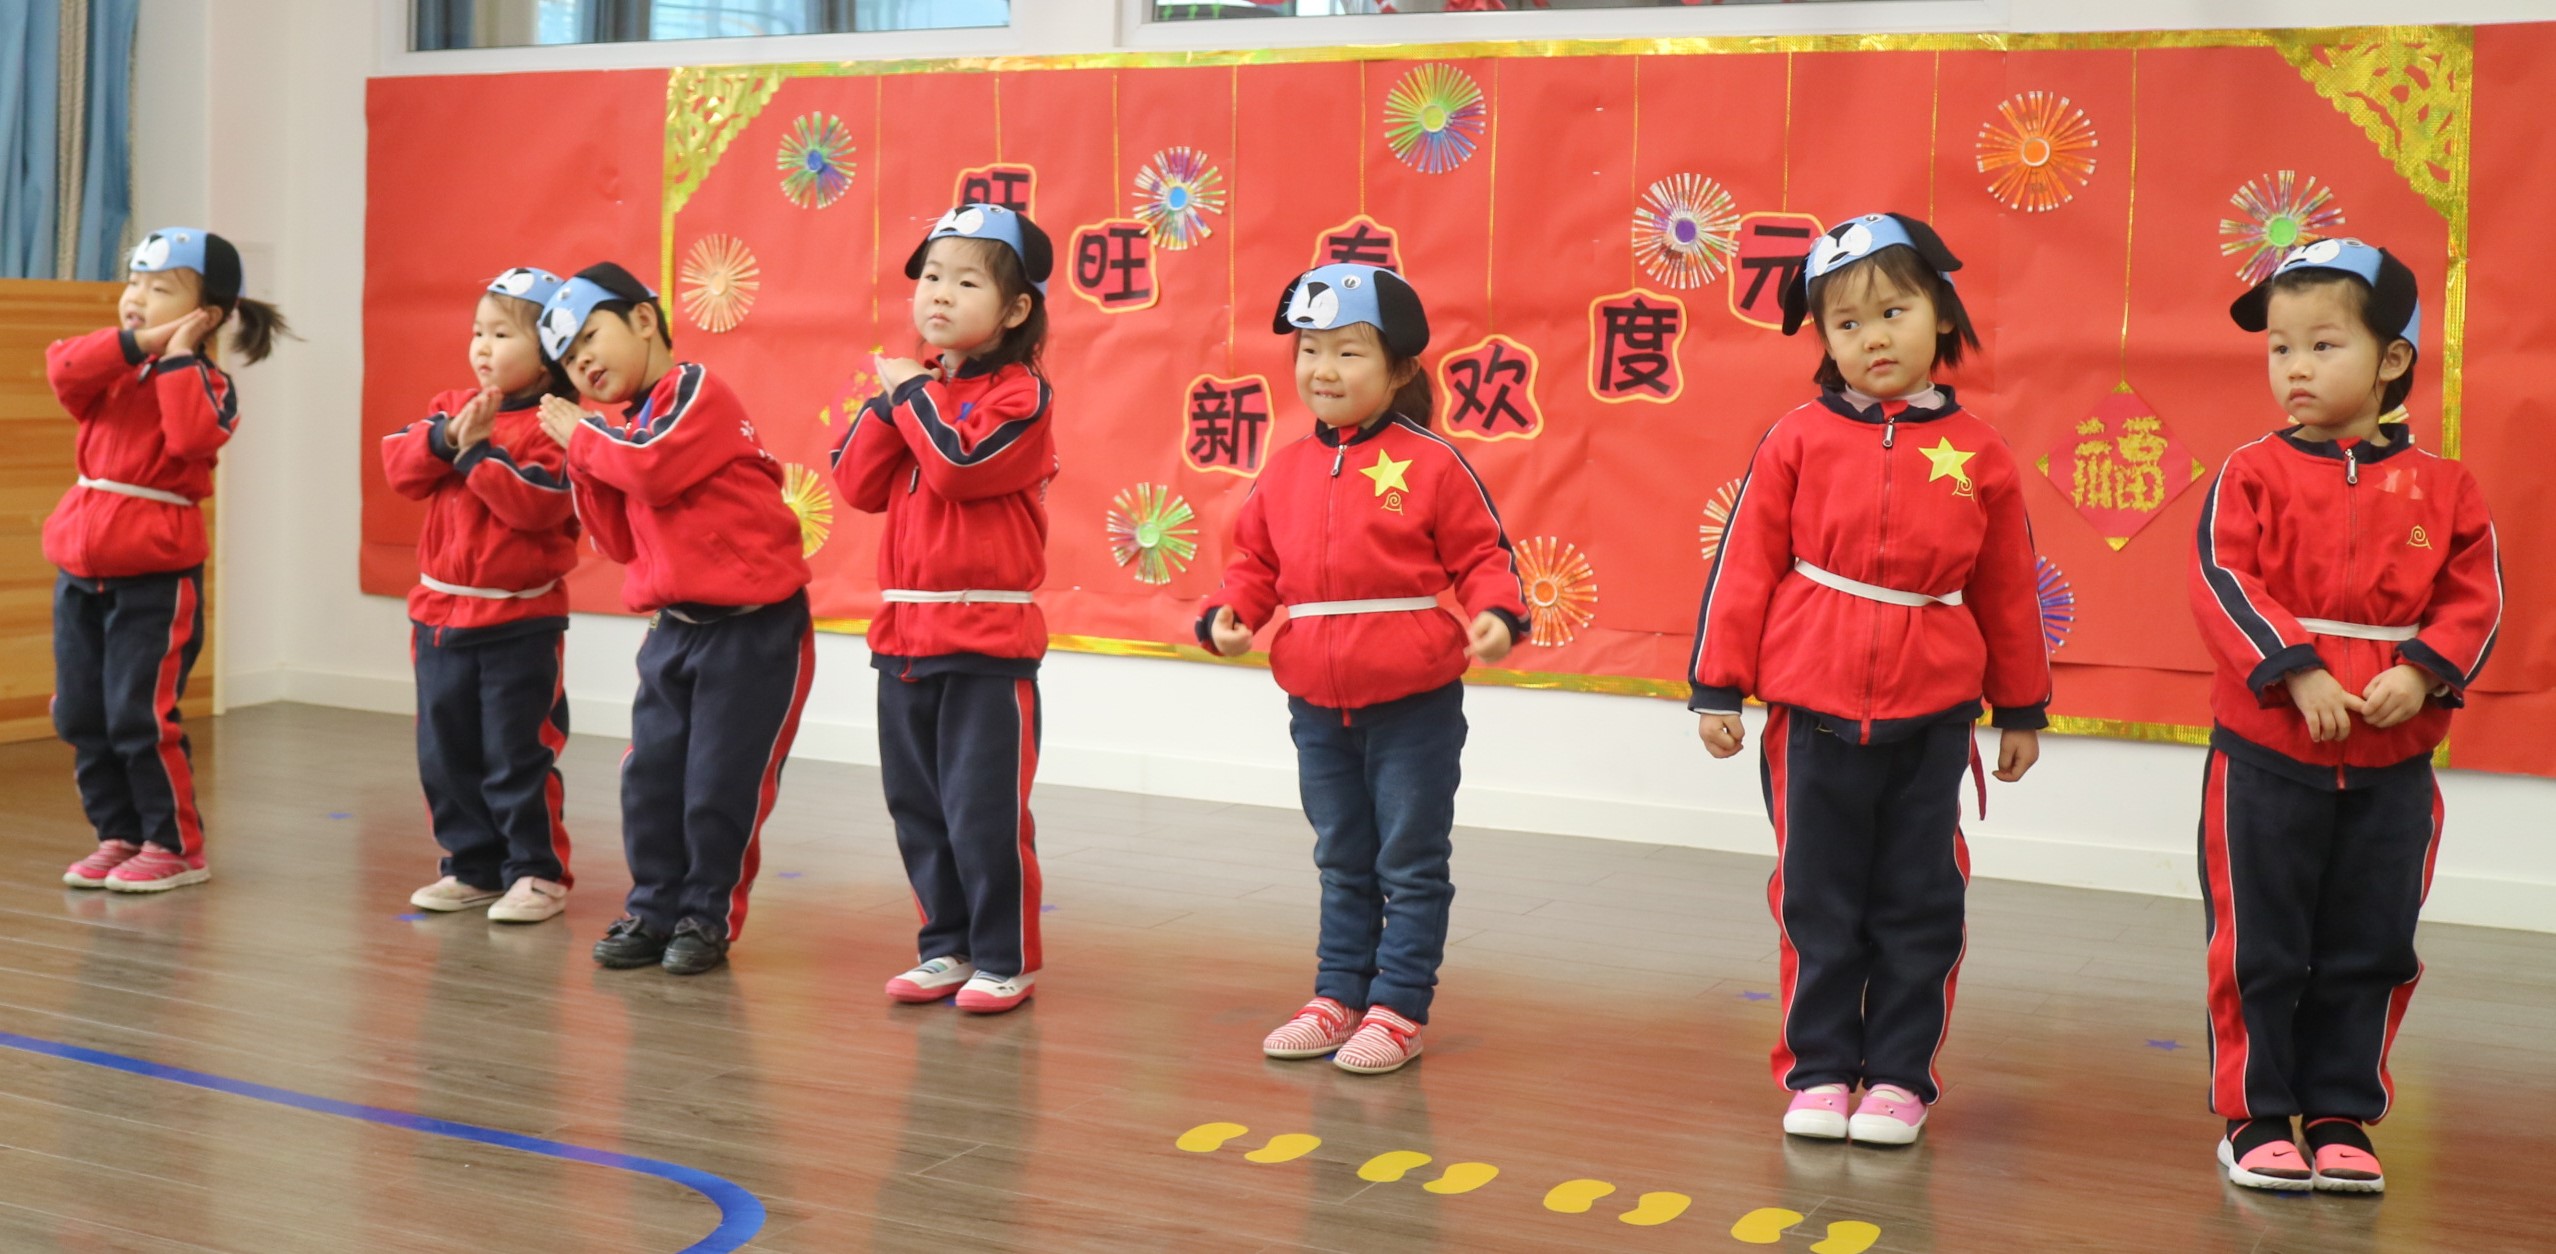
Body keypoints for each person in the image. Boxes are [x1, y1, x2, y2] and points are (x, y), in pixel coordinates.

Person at [1688, 214, 2049, 1145]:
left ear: (1943, 315)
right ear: (1823, 339)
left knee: (1919, 902)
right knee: (1817, 899)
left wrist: (2020, 707)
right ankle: (1817, 1071)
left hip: (1932, 717)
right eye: (1846, 324)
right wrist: (1718, 688)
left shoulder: (1980, 452)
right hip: (1810, 713)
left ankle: (1898, 1076)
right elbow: (1744, 565)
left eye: (1894, 312)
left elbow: (2009, 587)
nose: (1873, 338)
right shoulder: (1796, 439)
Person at [2192, 238, 2500, 1193]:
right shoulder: (2250, 472)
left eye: (2323, 346)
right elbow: (2223, 580)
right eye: (2280, 348)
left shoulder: (2447, 486)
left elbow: (2476, 599)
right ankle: (2255, 1114)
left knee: (2372, 942)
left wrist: (2425, 671)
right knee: (2262, 943)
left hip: (2391, 762)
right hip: (2266, 756)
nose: (2296, 368)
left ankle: (2340, 1113)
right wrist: (2297, 673)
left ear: (2392, 358)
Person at [1205, 263, 1528, 1075]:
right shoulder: (1285, 468)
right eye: (1310, 350)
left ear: (1400, 368)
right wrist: (1232, 613)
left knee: (1409, 862)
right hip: (1317, 705)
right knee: (1340, 856)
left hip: (1414, 704)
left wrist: (1498, 615)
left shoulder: (1434, 463)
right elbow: (1254, 563)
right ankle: (1337, 995)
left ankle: (1398, 1008)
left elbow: (1484, 557)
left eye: (1348, 352)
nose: (1323, 369)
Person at [535, 262, 814, 975]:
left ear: (643, 320)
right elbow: (618, 540)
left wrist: (584, 441)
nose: (582, 363)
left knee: (722, 782)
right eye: (568, 360)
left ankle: (704, 916)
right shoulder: (621, 433)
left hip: (754, 628)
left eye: (590, 337)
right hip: (675, 627)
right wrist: (584, 460)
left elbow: (653, 467)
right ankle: (654, 908)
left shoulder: (695, 391)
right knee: (651, 778)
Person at [833, 205, 1057, 1015]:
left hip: (986, 641)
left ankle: (1005, 958)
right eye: (931, 277)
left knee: (983, 811)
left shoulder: (1022, 395)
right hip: (904, 636)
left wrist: (910, 394)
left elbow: (961, 466)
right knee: (918, 808)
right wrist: (895, 401)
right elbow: (855, 485)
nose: (938, 294)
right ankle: (946, 947)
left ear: (1017, 309)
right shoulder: (916, 393)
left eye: (965, 283)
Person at [52, 228, 289, 893]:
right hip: (80, 572)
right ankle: (119, 834)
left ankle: (175, 845)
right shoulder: (113, 371)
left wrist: (178, 356)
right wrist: (138, 344)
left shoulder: (210, 383)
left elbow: (190, 438)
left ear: (205, 315)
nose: (137, 297)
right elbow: (63, 369)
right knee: (80, 713)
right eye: (134, 283)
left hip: (155, 580)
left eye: (160, 289)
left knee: (139, 714)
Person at [380, 267, 583, 924]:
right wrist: (446, 439)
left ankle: (536, 871)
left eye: (501, 334)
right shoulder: (453, 406)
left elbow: (538, 505)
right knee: (445, 753)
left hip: (519, 622)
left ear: (548, 351)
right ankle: (472, 866)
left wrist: (472, 457)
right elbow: (400, 466)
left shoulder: (559, 426)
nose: (483, 347)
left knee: (516, 752)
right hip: (441, 616)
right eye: (477, 332)